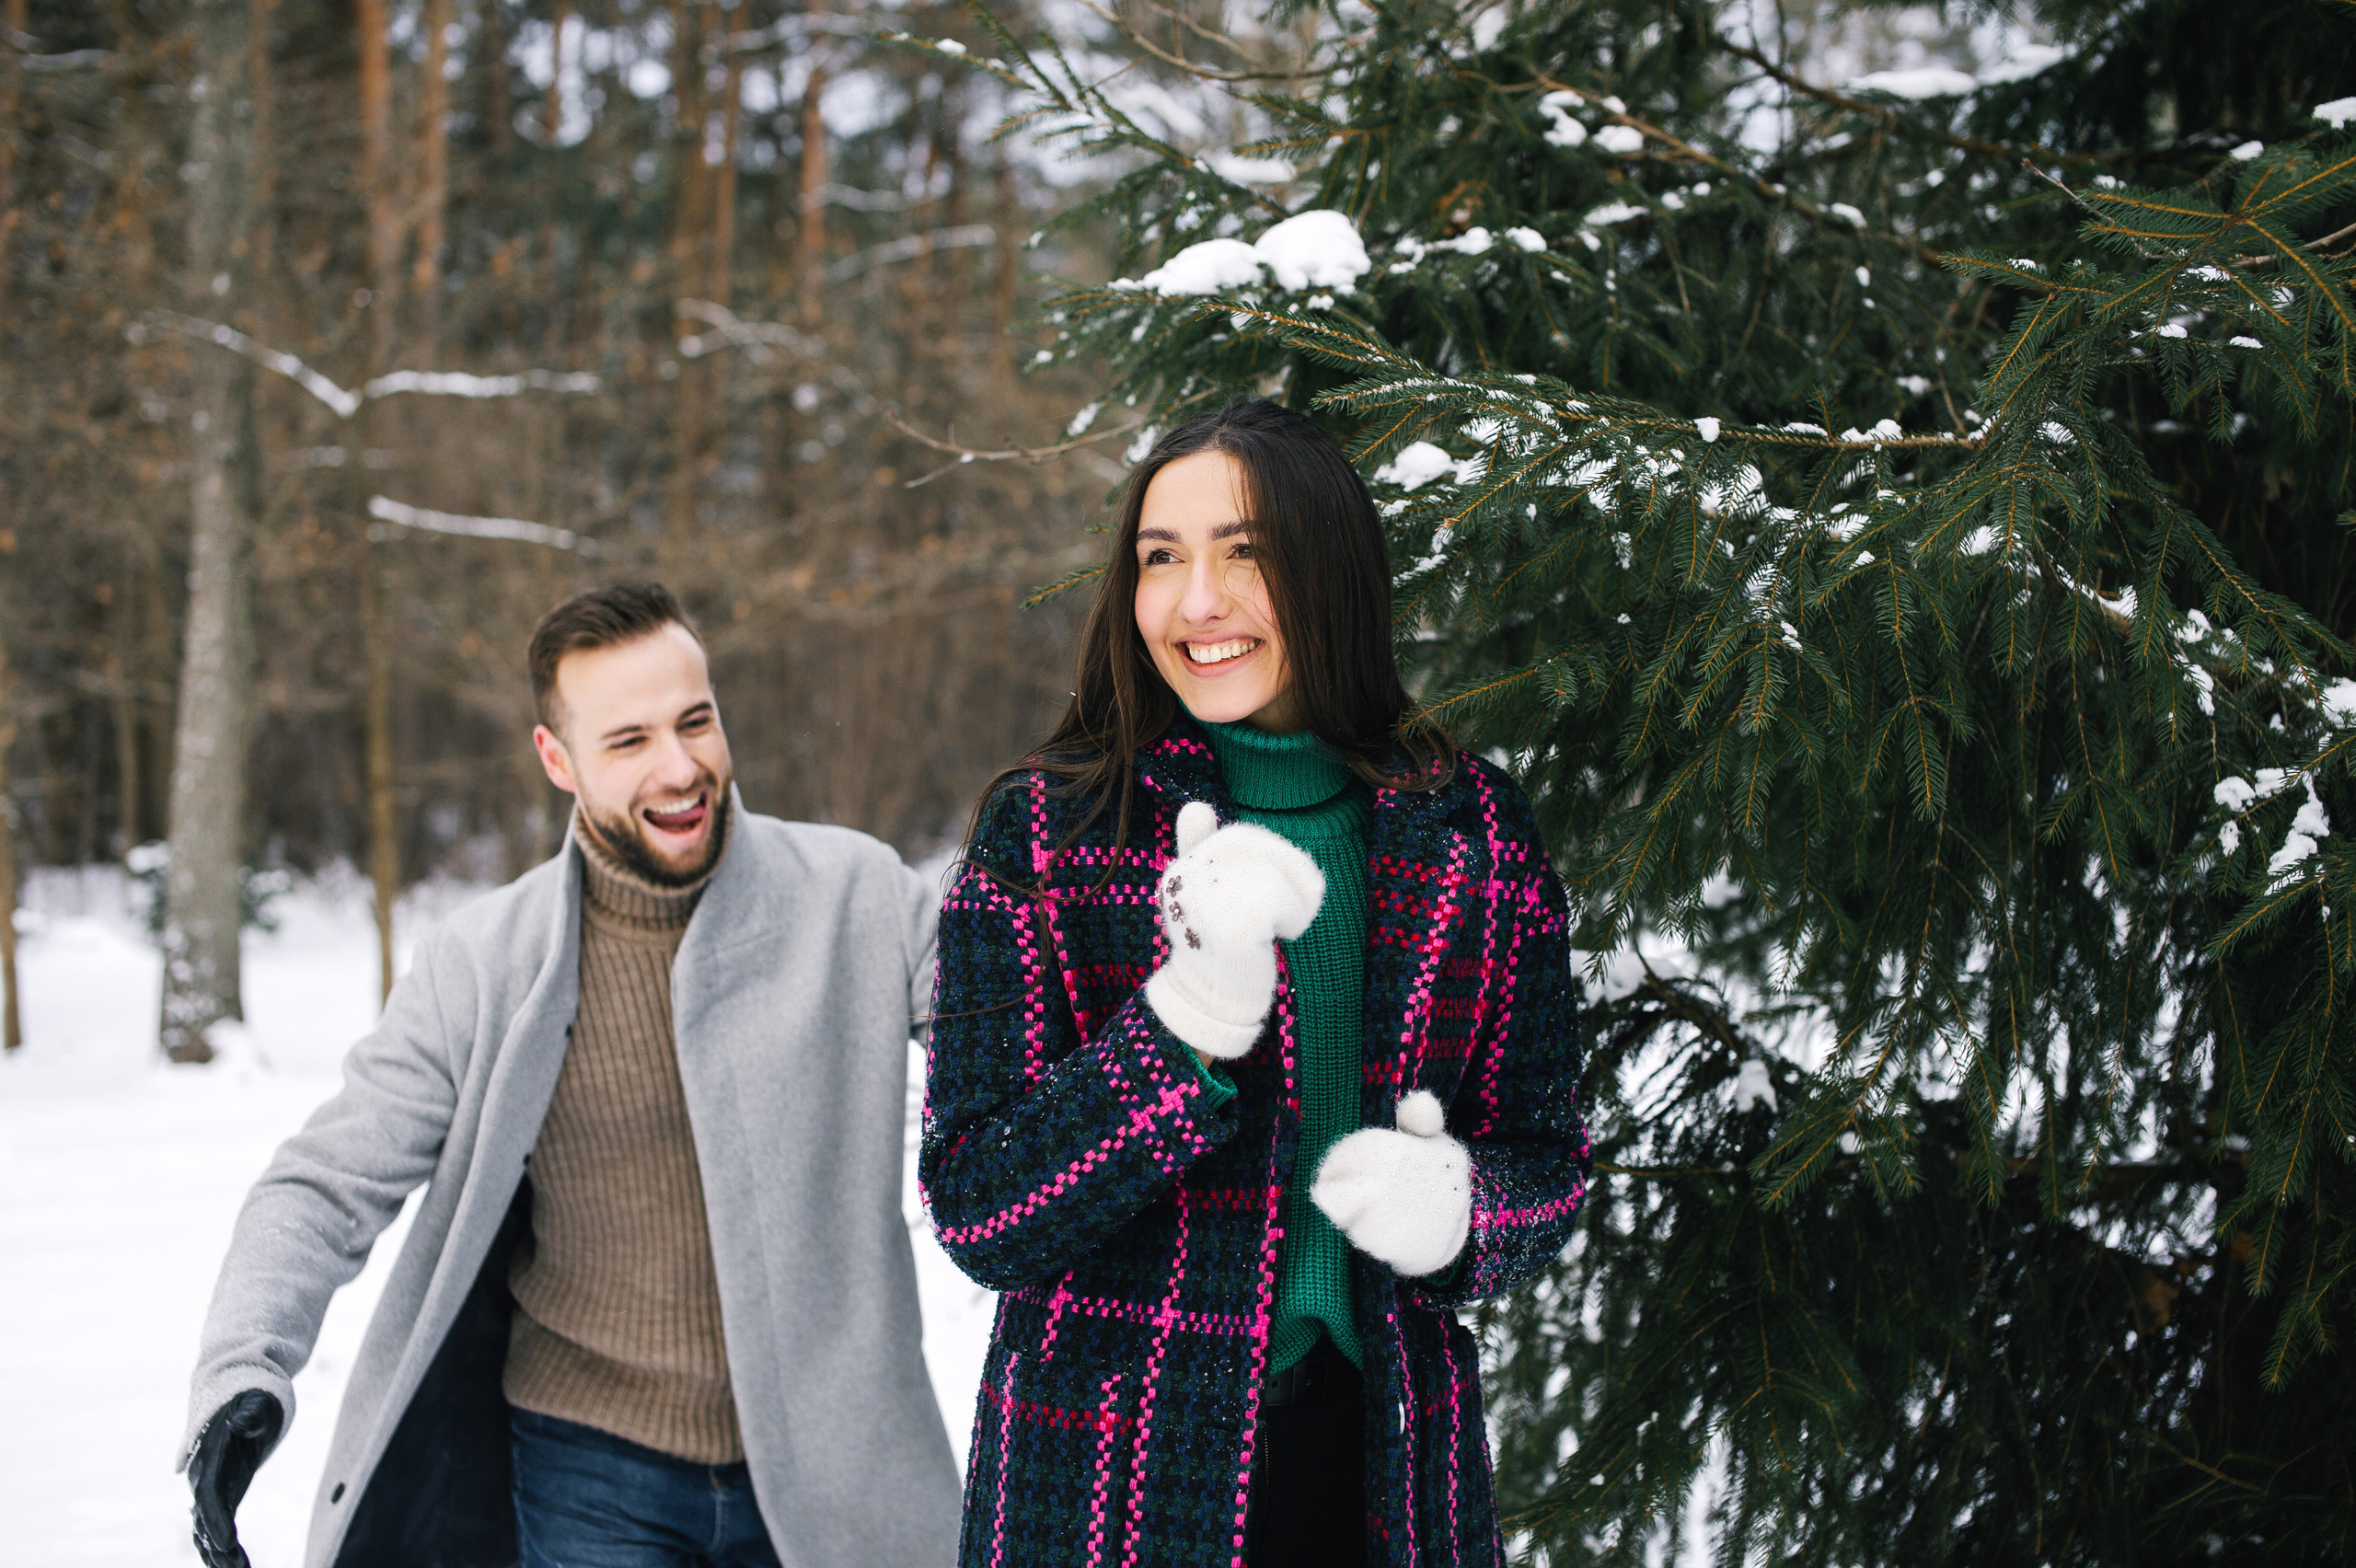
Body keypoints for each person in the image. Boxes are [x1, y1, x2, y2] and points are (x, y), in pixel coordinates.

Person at [921, 399, 1594, 1567]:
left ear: (1330, 572)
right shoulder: (1048, 830)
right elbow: (981, 1210)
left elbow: (1547, 1161)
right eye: (1160, 559)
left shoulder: (1473, 829)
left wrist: (1464, 1212)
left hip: (1386, 1476)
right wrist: (1182, 1031)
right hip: (1105, 1482)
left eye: (1246, 554)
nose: (1195, 603)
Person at [179, 582, 960, 1568]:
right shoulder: (483, 965)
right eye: (629, 741)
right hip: (588, 1472)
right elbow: (324, 1183)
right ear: (558, 759)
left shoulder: (859, 900)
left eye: (695, 722)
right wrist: (242, 1372)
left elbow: (1026, 1036)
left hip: (834, 1466)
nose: (681, 769)